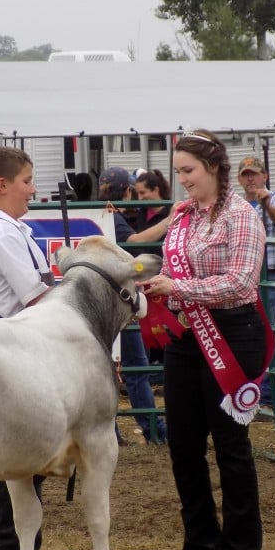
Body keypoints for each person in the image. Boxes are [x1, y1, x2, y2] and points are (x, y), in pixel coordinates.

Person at [138, 129, 273, 550]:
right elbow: (172, 269)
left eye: (188, 171)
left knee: (230, 444)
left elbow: (241, 284)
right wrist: (154, 282)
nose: (183, 180)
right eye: (178, 172)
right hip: (185, 336)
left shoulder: (243, 216)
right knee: (183, 444)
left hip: (234, 333)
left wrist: (180, 288)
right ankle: (200, 545)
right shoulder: (183, 217)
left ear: (214, 167)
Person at [0, 146, 68, 550]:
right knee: (14, 463)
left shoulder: (11, 231)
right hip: (14, 351)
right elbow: (34, 297)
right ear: (3, 185)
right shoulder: (2, 237)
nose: (33, 188)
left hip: (19, 349)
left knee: (25, 462)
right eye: (27, 180)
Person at [97, 166, 168, 445]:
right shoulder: (113, 219)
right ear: (126, 191)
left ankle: (113, 432)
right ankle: (153, 430)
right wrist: (170, 220)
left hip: (101, 302)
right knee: (135, 365)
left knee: (108, 365)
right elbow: (134, 242)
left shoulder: (101, 215)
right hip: (119, 301)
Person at [236, 156, 275, 408]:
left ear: (265, 176)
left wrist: (265, 202)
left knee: (266, 329)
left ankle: (266, 395)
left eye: (254, 174)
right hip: (244, 274)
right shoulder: (234, 205)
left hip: (269, 271)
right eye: (245, 175)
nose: (250, 179)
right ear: (238, 179)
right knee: (246, 330)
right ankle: (248, 390)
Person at [133, 169, 171, 233]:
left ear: (156, 190)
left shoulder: (171, 211)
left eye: (142, 193)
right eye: (138, 193)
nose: (139, 198)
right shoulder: (141, 212)